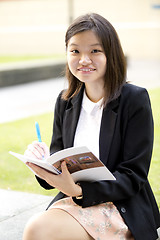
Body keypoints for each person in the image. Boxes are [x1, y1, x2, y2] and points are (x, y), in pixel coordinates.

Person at [23, 13, 160, 240]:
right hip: (74, 201)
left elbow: (133, 175)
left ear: (111, 54)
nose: (84, 59)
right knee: (38, 228)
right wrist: (41, 163)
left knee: (37, 230)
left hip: (120, 206)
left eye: (95, 51)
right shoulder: (65, 100)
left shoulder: (134, 99)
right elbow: (59, 161)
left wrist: (78, 190)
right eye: (75, 51)